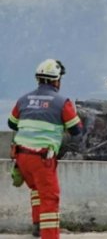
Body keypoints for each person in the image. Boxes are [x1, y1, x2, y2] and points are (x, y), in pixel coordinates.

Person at [7, 59, 82, 239]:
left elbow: (12, 123)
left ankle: (37, 226)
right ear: (57, 81)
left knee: (36, 189)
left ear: (38, 79)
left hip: (21, 157)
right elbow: (76, 130)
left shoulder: (23, 99)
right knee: (50, 198)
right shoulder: (62, 102)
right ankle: (49, 235)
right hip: (41, 158)